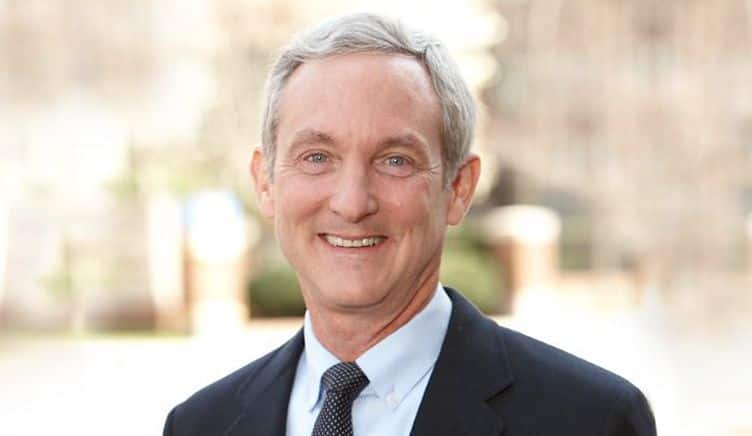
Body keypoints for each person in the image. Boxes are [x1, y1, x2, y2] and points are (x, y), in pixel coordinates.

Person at [163, 12, 657, 436]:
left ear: (459, 188)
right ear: (265, 181)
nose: (352, 202)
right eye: (317, 157)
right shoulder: (200, 425)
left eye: (395, 160)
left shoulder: (590, 419)